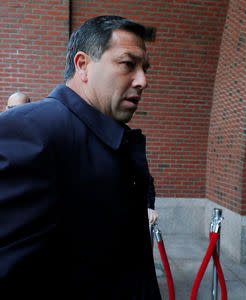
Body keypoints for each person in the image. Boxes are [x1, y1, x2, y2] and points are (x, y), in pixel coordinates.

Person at [0, 16, 161, 299]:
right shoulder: (30, 130)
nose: (143, 81)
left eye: (144, 68)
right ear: (83, 65)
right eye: (128, 64)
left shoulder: (114, 137)